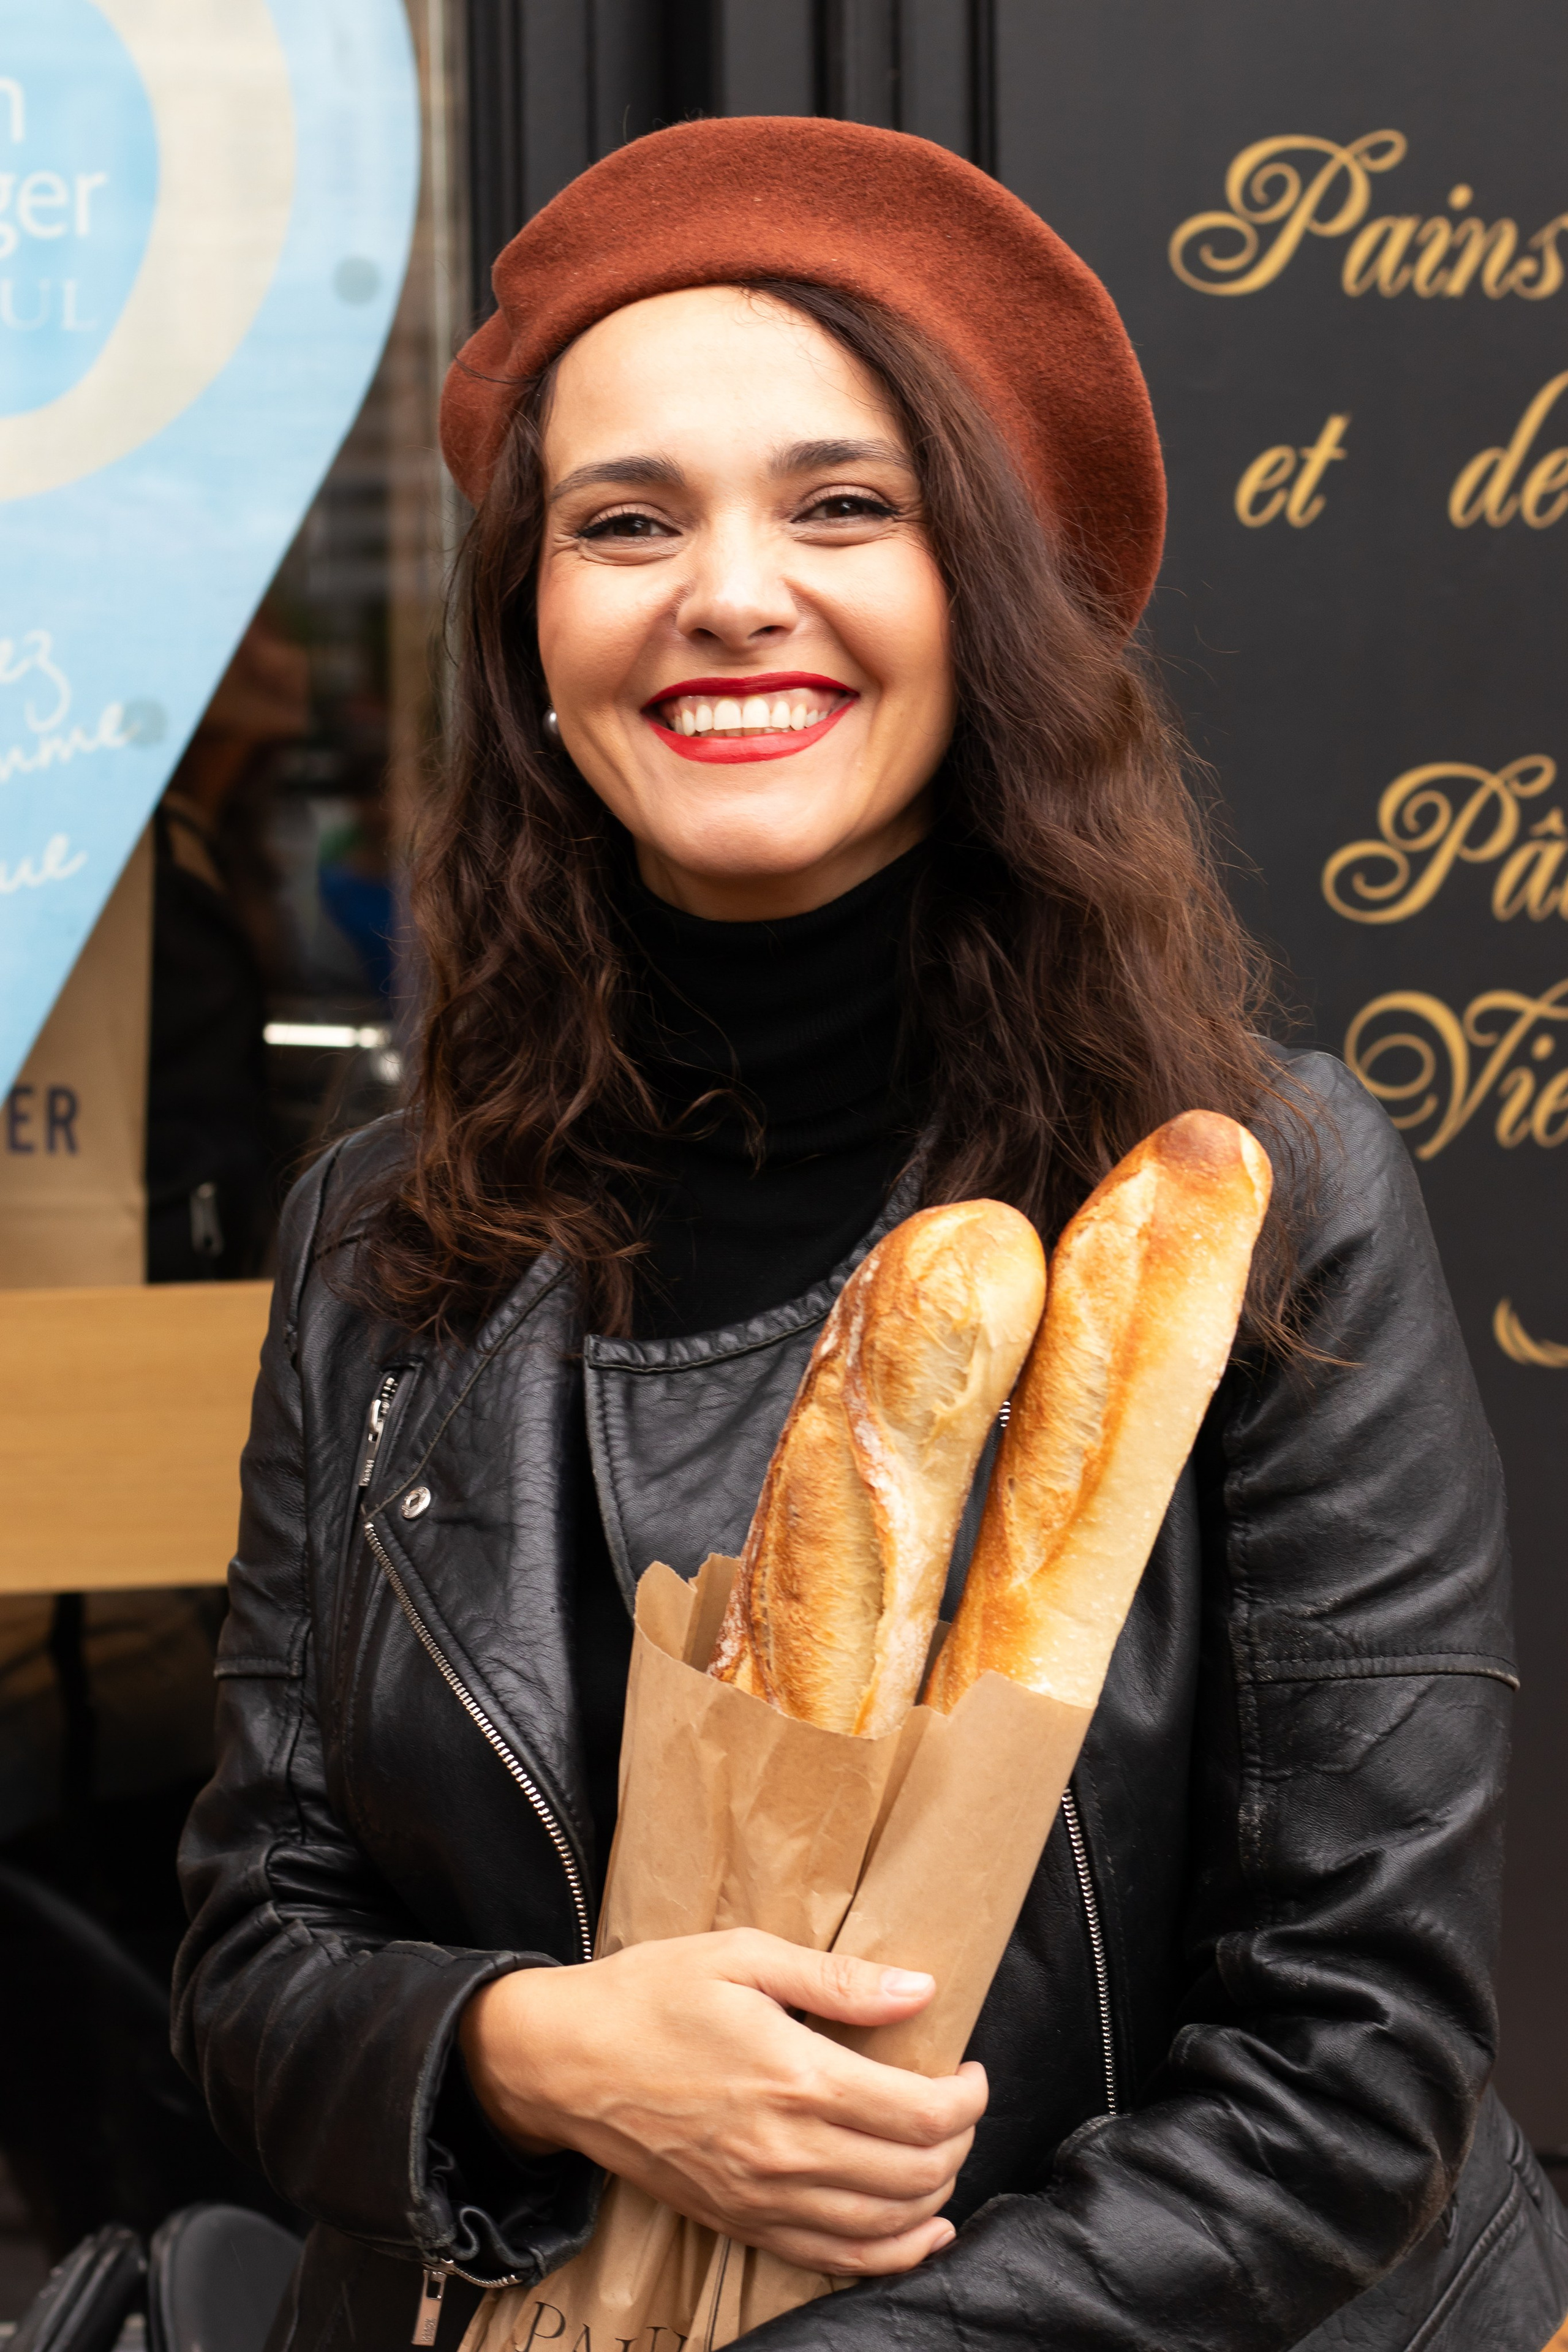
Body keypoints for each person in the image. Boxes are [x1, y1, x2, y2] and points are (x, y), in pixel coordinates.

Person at [172, 119, 1568, 2352]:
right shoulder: (377, 1237)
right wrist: (534, 2052)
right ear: (541, 641)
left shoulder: (1255, 1205)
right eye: (626, 523)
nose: (727, 591)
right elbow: (253, 1956)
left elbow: (1350, 2065)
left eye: (845, 508)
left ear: (988, 608)